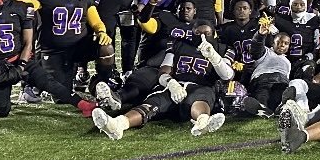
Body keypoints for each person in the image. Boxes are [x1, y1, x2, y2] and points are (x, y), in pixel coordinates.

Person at [92, 30, 233, 140]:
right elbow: (163, 71)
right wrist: (171, 83)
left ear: (214, 32)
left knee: (198, 98)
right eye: (198, 32)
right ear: (192, 32)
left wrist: (214, 56)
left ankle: (202, 122)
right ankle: (117, 125)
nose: (202, 36)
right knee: (152, 104)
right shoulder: (178, 45)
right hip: (175, 84)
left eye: (206, 33)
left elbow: (227, 75)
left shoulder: (224, 49)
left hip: (201, 86)